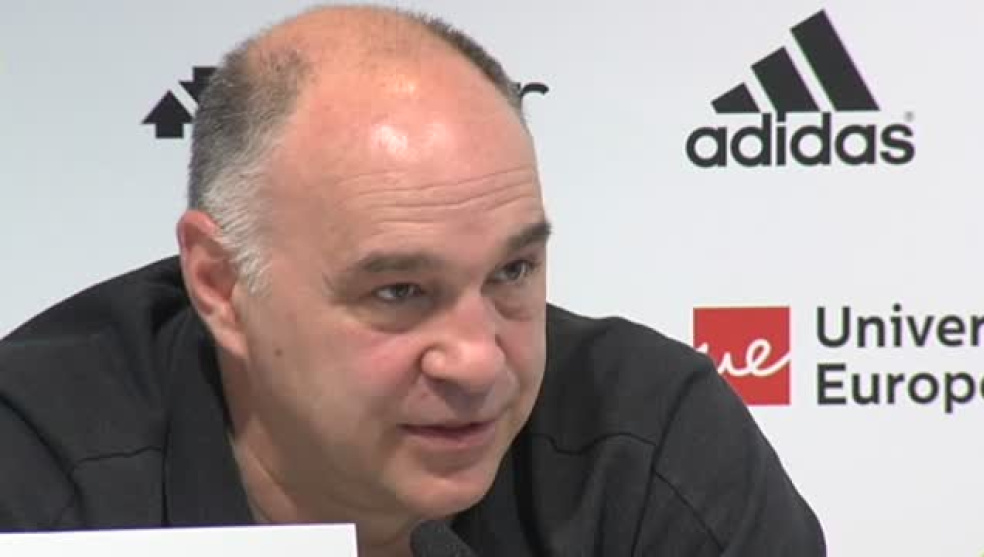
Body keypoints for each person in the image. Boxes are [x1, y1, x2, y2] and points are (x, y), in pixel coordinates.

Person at [0, 5, 825, 556]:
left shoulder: (643, 442)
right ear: (220, 285)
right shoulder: (33, 467)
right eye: (398, 291)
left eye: (512, 271)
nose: (478, 361)